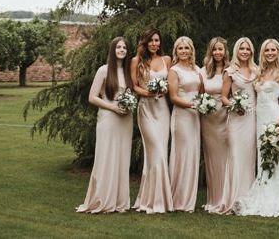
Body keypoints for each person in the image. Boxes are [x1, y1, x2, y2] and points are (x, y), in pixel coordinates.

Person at [235, 38, 279, 216]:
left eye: (273, 50)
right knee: (263, 157)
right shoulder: (260, 72)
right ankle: (263, 193)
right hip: (259, 119)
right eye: (266, 50)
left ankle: (277, 197)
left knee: (276, 157)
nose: (270, 53)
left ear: (278, 51)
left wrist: (278, 123)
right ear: (263, 53)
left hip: (274, 117)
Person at [76, 36, 133, 213]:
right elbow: (92, 97)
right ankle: (102, 199)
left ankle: (119, 201)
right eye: (118, 47)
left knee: (123, 158)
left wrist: (128, 105)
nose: (122, 50)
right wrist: (113, 107)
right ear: (112, 50)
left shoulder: (128, 71)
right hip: (108, 118)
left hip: (126, 119)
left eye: (124, 47)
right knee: (107, 157)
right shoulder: (104, 70)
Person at [131, 27, 173, 213]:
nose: (155, 44)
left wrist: (164, 90)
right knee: (155, 151)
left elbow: (171, 83)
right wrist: (149, 92)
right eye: (151, 41)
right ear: (145, 42)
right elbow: (134, 86)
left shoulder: (167, 60)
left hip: (162, 109)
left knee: (161, 152)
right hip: (146, 109)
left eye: (157, 40)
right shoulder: (136, 61)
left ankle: (160, 198)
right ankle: (152, 200)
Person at [216, 36, 258, 214]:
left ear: (252, 51)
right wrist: (234, 105)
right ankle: (232, 200)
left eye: (247, 49)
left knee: (249, 158)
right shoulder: (230, 71)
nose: (245, 52)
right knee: (235, 156)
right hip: (236, 119)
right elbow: (223, 97)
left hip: (252, 119)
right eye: (242, 48)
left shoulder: (257, 70)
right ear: (236, 51)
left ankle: (247, 199)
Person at [168, 36, 202, 212]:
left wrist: (202, 104)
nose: (183, 51)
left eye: (186, 48)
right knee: (181, 156)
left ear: (191, 50)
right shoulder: (174, 70)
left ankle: (189, 199)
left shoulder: (197, 69)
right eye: (180, 48)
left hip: (195, 117)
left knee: (193, 155)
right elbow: (173, 97)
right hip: (182, 116)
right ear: (176, 51)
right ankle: (177, 198)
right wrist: (194, 105)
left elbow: (201, 90)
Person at [199, 36, 229, 213]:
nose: (218, 52)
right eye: (215, 49)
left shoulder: (231, 70)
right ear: (210, 52)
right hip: (209, 120)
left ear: (225, 51)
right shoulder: (203, 71)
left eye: (220, 49)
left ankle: (227, 197)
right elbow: (200, 94)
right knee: (212, 158)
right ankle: (214, 198)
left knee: (226, 158)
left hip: (226, 118)